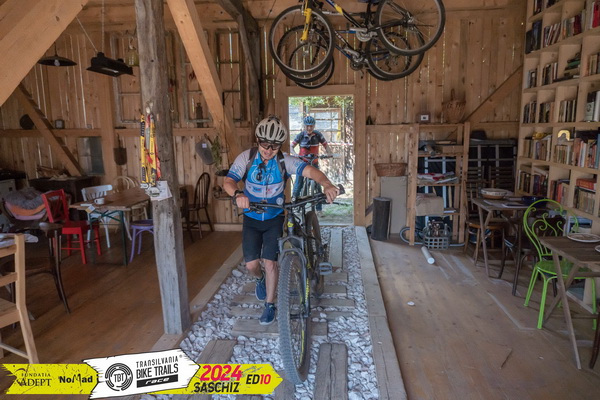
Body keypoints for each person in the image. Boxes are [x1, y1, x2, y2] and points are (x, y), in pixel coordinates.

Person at [223, 116, 339, 325]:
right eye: (264, 144)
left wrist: (327, 184)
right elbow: (229, 181)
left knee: (270, 262)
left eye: (274, 146)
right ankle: (260, 279)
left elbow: (311, 171)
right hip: (251, 217)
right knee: (251, 265)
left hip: (275, 217)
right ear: (257, 140)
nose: (268, 150)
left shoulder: (285, 161)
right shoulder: (246, 158)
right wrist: (237, 194)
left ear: (280, 145)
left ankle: (270, 305)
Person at [290, 116, 332, 212]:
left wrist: (329, 154)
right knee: (298, 183)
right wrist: (295, 154)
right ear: (304, 126)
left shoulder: (318, 135)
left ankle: (319, 208)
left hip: (314, 162)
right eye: (307, 126)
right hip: (302, 163)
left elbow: (326, 145)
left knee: (318, 183)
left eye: (311, 126)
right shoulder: (301, 135)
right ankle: (294, 204)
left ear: (314, 126)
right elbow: (291, 146)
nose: (309, 128)